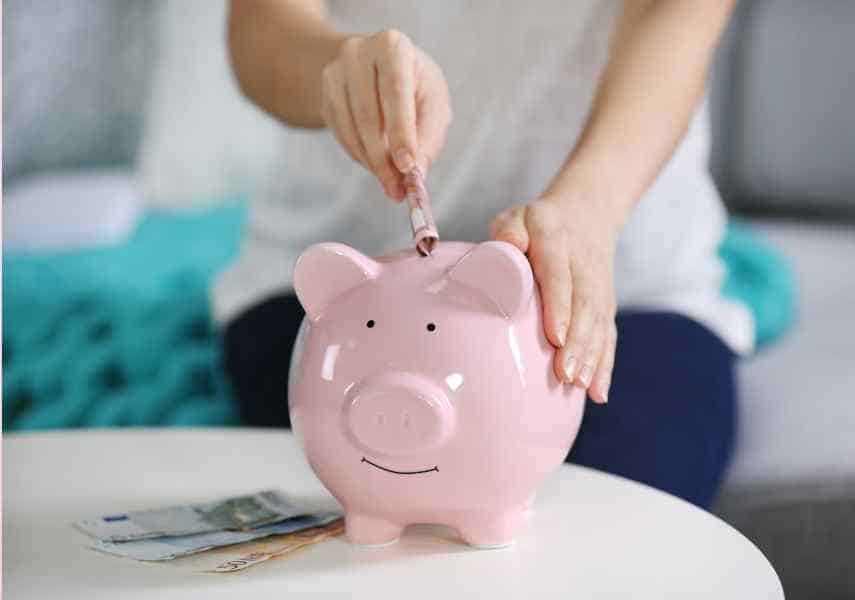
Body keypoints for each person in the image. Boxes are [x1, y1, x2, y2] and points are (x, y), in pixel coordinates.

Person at [218, 0, 751, 509]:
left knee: (617, 533)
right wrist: (335, 70)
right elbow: (262, 27)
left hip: (625, 285)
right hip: (329, 283)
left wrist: (590, 211)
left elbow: (678, 15)